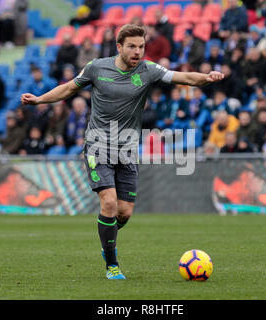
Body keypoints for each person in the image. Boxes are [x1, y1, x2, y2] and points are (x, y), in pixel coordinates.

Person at [20, 24, 225, 280]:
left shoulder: (148, 70)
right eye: (132, 46)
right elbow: (69, 88)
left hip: (127, 149)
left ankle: (108, 241)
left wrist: (206, 78)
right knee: (108, 202)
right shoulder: (97, 67)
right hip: (98, 146)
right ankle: (112, 264)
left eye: (141, 46)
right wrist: (39, 99)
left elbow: (181, 77)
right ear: (119, 47)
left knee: (124, 212)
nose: (137, 51)